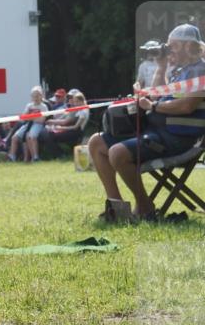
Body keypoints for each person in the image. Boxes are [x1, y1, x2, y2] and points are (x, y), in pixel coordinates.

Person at [88, 23, 205, 221]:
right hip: (158, 132)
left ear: (188, 46)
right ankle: (116, 208)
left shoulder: (201, 71)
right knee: (96, 143)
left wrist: (153, 107)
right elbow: (157, 95)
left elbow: (186, 106)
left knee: (117, 153)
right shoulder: (180, 70)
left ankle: (144, 206)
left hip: (179, 139)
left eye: (173, 45)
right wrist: (161, 66)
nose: (168, 49)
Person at [6, 86, 49, 162]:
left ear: (41, 96)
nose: (35, 98)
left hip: (38, 125)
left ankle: (35, 157)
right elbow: (23, 117)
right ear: (31, 97)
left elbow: (42, 120)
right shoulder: (29, 105)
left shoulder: (44, 106)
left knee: (32, 136)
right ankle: (12, 156)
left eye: (37, 96)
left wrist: (30, 117)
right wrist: (32, 118)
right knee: (14, 137)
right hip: (28, 124)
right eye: (34, 96)